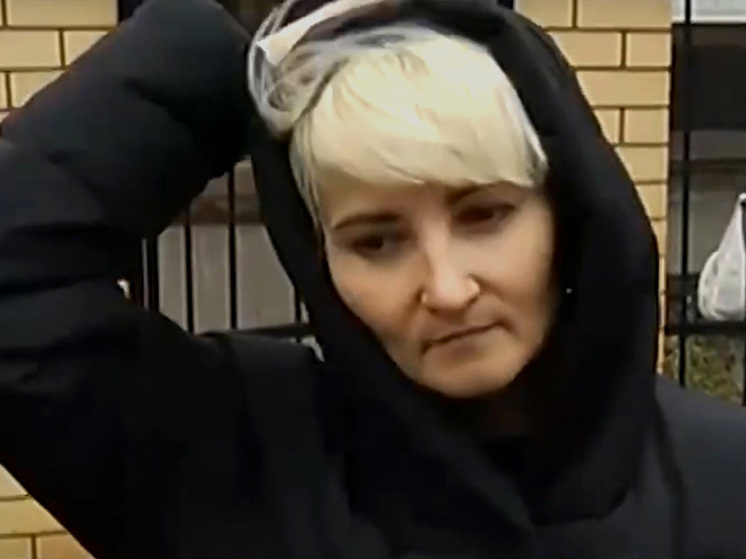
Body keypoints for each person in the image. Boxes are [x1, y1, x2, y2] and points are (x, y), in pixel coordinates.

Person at [1, 0, 745, 558]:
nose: (446, 288)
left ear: (565, 215)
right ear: (320, 255)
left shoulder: (723, 480)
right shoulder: (231, 460)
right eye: (378, 241)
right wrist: (236, 58)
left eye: (484, 215)